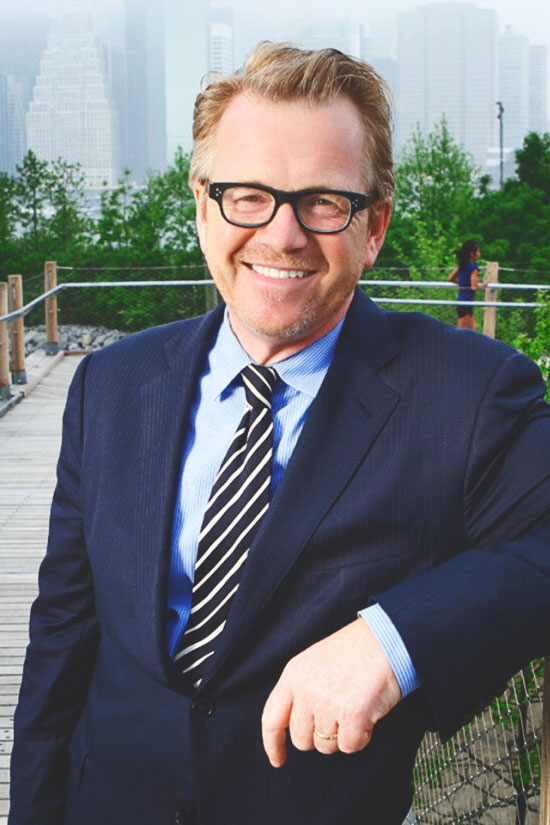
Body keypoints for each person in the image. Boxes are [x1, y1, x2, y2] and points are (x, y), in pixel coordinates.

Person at [9, 43, 550, 825]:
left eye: (324, 201)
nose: (284, 234)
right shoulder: (109, 387)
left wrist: (391, 638)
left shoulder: (465, 393)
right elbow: (61, 640)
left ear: (374, 226)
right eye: (248, 196)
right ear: (203, 206)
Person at [447, 239, 487, 330]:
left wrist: (461, 283)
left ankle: (474, 344)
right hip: (467, 302)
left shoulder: (462, 265)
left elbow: (450, 278)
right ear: (472, 254)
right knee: (461, 331)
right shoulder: (473, 268)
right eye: (478, 251)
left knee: (472, 330)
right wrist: (483, 285)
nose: (479, 254)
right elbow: (474, 287)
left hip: (461, 301)